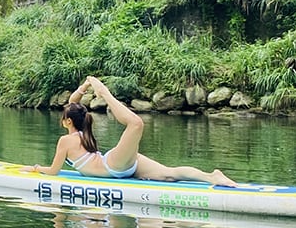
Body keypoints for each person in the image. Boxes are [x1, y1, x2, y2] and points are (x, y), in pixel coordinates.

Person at [20, 76, 238, 187]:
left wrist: (36, 168)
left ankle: (213, 177)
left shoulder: (66, 141)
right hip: (121, 165)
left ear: (67, 121)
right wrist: (85, 85)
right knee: (169, 175)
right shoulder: (83, 126)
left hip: (112, 165)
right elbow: (73, 103)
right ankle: (211, 177)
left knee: (136, 124)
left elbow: (53, 171)